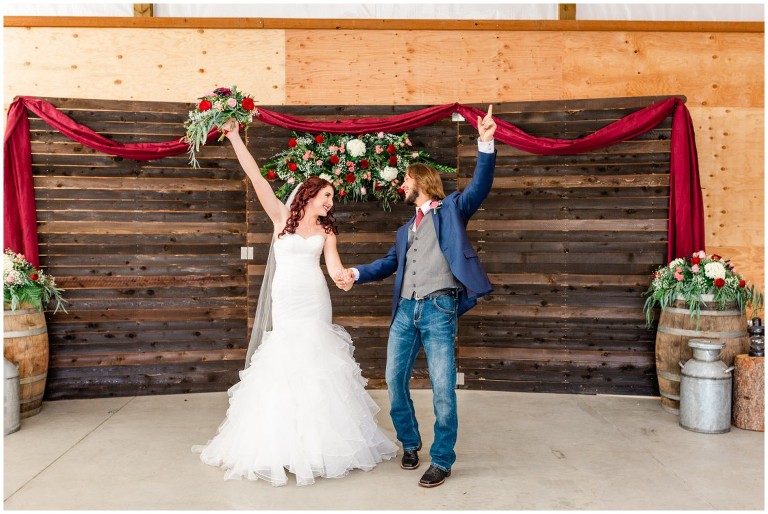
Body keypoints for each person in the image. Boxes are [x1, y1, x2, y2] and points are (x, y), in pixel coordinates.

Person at [192, 120, 398, 487]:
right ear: (310, 194)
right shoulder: (280, 218)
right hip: (287, 296)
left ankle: (319, 446)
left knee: (316, 361)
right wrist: (236, 137)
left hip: (315, 298)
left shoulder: (327, 230)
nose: (331, 203)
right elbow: (256, 176)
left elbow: (334, 267)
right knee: (285, 359)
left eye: (332, 199)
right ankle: (280, 445)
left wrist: (346, 279)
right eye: (327, 197)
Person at [334, 105, 497, 488]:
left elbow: (480, 186)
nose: (401, 187)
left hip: (440, 307)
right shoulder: (405, 228)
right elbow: (389, 264)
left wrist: (486, 143)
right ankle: (409, 443)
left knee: (442, 388)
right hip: (406, 310)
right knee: (394, 380)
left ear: (420, 181)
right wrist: (355, 273)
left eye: (405, 180)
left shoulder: (452, 209)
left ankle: (441, 459)